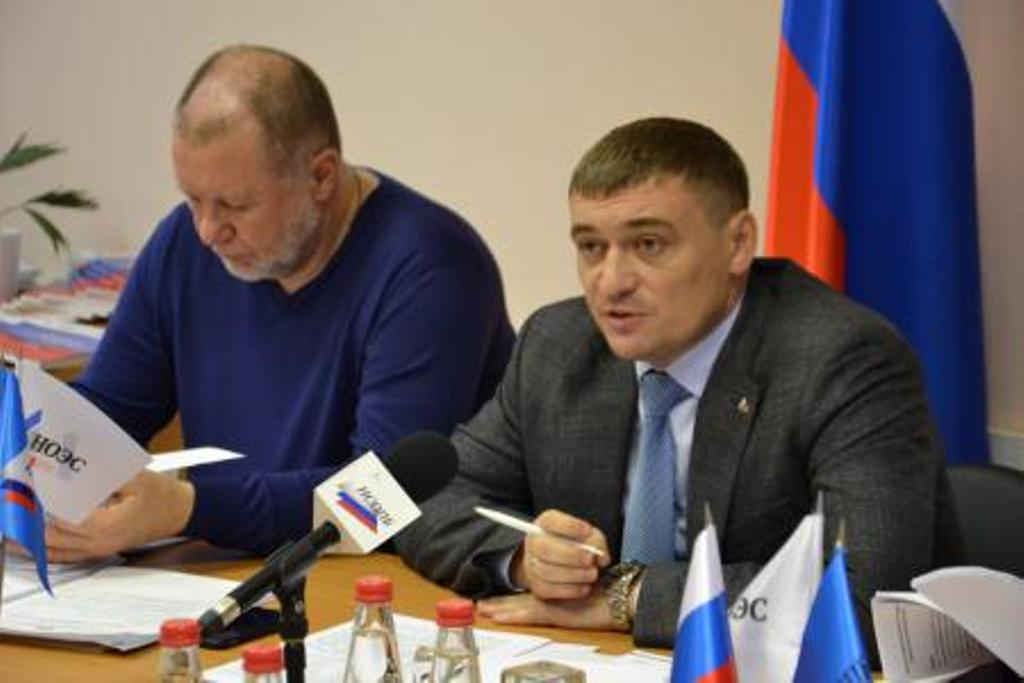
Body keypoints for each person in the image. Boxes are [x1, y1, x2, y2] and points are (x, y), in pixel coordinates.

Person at [395, 117, 962, 659]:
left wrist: (629, 595)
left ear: (738, 244)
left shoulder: (842, 359)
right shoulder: (558, 345)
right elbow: (425, 500)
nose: (610, 282)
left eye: (648, 244)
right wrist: (523, 561)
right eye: (591, 247)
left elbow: (863, 594)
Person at [45, 45, 514, 560]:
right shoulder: (184, 245)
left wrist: (188, 509)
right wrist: (34, 467)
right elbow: (103, 417)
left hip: (378, 581)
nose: (207, 231)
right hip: (224, 569)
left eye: (234, 204)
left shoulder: (433, 268)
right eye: (192, 199)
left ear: (321, 177)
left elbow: (382, 502)